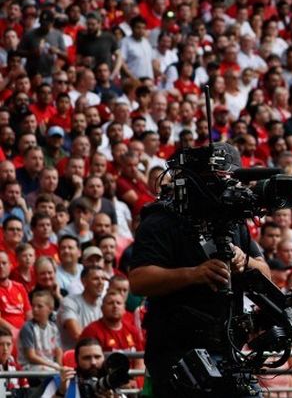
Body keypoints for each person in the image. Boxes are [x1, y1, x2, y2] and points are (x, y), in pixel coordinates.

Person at [128, 143, 270, 397]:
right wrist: (194, 274)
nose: (227, 187)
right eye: (218, 180)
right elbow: (139, 280)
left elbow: (265, 274)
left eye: (230, 180)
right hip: (177, 354)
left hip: (230, 349)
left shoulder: (234, 222)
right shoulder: (161, 220)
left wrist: (244, 261)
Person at [58, 265, 107, 350]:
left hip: (98, 354)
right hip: (72, 357)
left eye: (103, 279)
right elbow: (78, 335)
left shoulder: (104, 304)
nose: (101, 282)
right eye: (96, 279)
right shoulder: (69, 302)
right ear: (84, 281)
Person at [18, 290, 63, 373]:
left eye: (39, 306)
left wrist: (60, 367)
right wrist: (54, 366)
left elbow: (58, 351)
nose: (35, 309)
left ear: (50, 309)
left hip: (50, 366)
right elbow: (31, 357)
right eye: (33, 306)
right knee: (51, 372)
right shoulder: (28, 328)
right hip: (30, 367)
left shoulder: (53, 327)